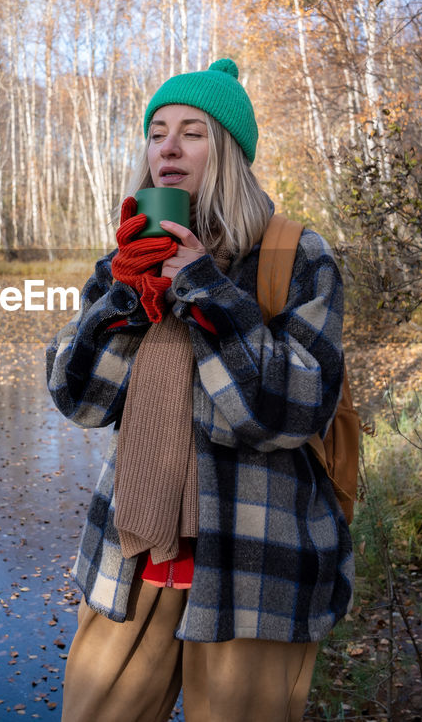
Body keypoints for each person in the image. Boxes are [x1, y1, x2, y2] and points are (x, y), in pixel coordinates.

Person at [44, 58, 354, 722]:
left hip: (255, 564)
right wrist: (125, 295)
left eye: (193, 131)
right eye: (157, 132)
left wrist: (207, 288)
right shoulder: (126, 256)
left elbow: (293, 412)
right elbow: (80, 398)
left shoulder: (296, 256)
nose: (169, 147)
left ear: (231, 153)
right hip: (133, 555)